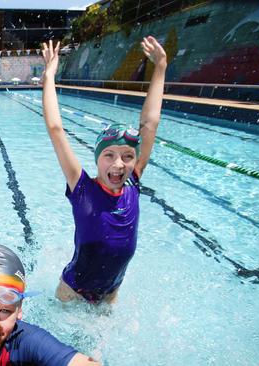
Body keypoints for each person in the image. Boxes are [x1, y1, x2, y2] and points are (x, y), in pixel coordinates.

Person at [41, 37, 167, 304]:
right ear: (97, 159)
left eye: (127, 157)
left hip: (110, 294)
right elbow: (55, 129)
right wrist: (49, 76)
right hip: (72, 293)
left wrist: (161, 67)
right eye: (109, 155)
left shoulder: (133, 184)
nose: (119, 164)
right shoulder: (82, 188)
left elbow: (150, 124)